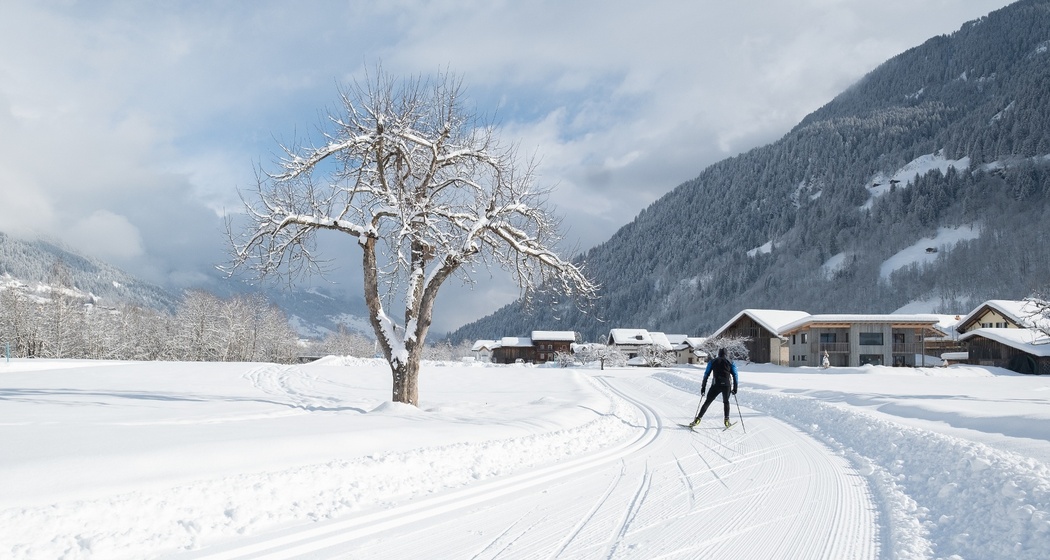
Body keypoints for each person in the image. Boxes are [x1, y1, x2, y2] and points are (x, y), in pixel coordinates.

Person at [689, 348, 738, 428]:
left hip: (716, 385)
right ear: (726, 354)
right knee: (726, 402)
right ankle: (726, 421)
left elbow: (706, 374)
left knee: (707, 402)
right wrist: (735, 388)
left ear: (718, 354)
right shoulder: (731, 362)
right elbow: (735, 375)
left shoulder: (713, 361)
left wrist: (703, 387)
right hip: (726, 385)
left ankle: (698, 419)